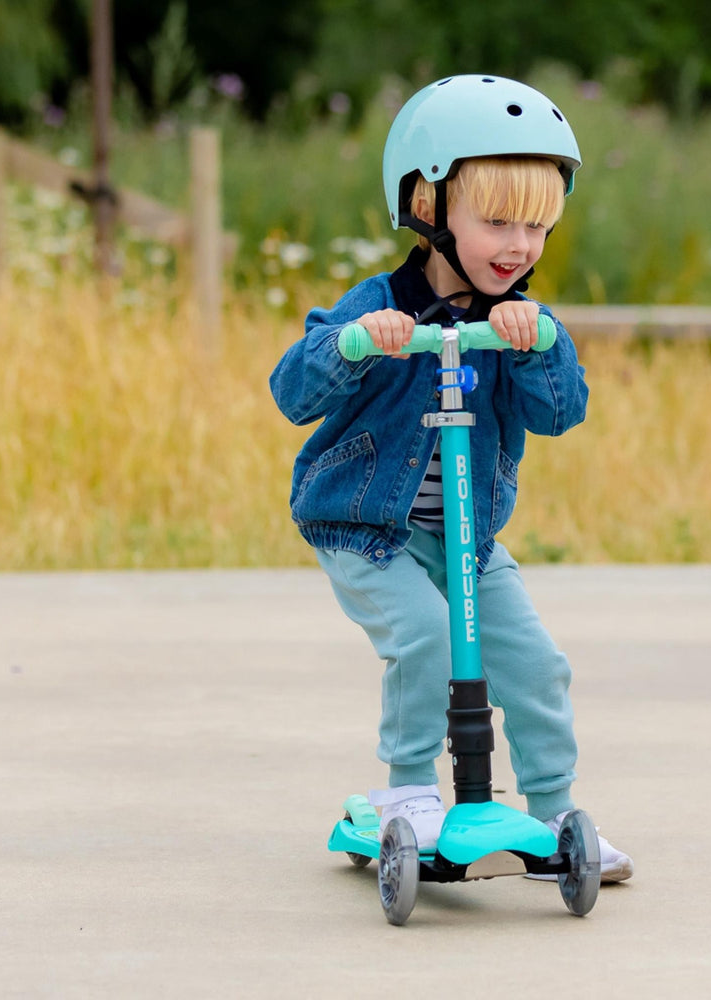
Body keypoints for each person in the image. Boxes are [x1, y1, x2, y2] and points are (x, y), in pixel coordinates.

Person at [270, 75, 632, 882]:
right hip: (368, 533)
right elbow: (291, 391)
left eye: (537, 225)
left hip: (469, 543)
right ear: (429, 207)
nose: (519, 244)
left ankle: (553, 814)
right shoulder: (379, 304)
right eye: (498, 220)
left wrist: (539, 342)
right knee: (428, 640)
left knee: (537, 666)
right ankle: (406, 795)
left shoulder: (523, 322)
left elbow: (560, 413)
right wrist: (358, 343)